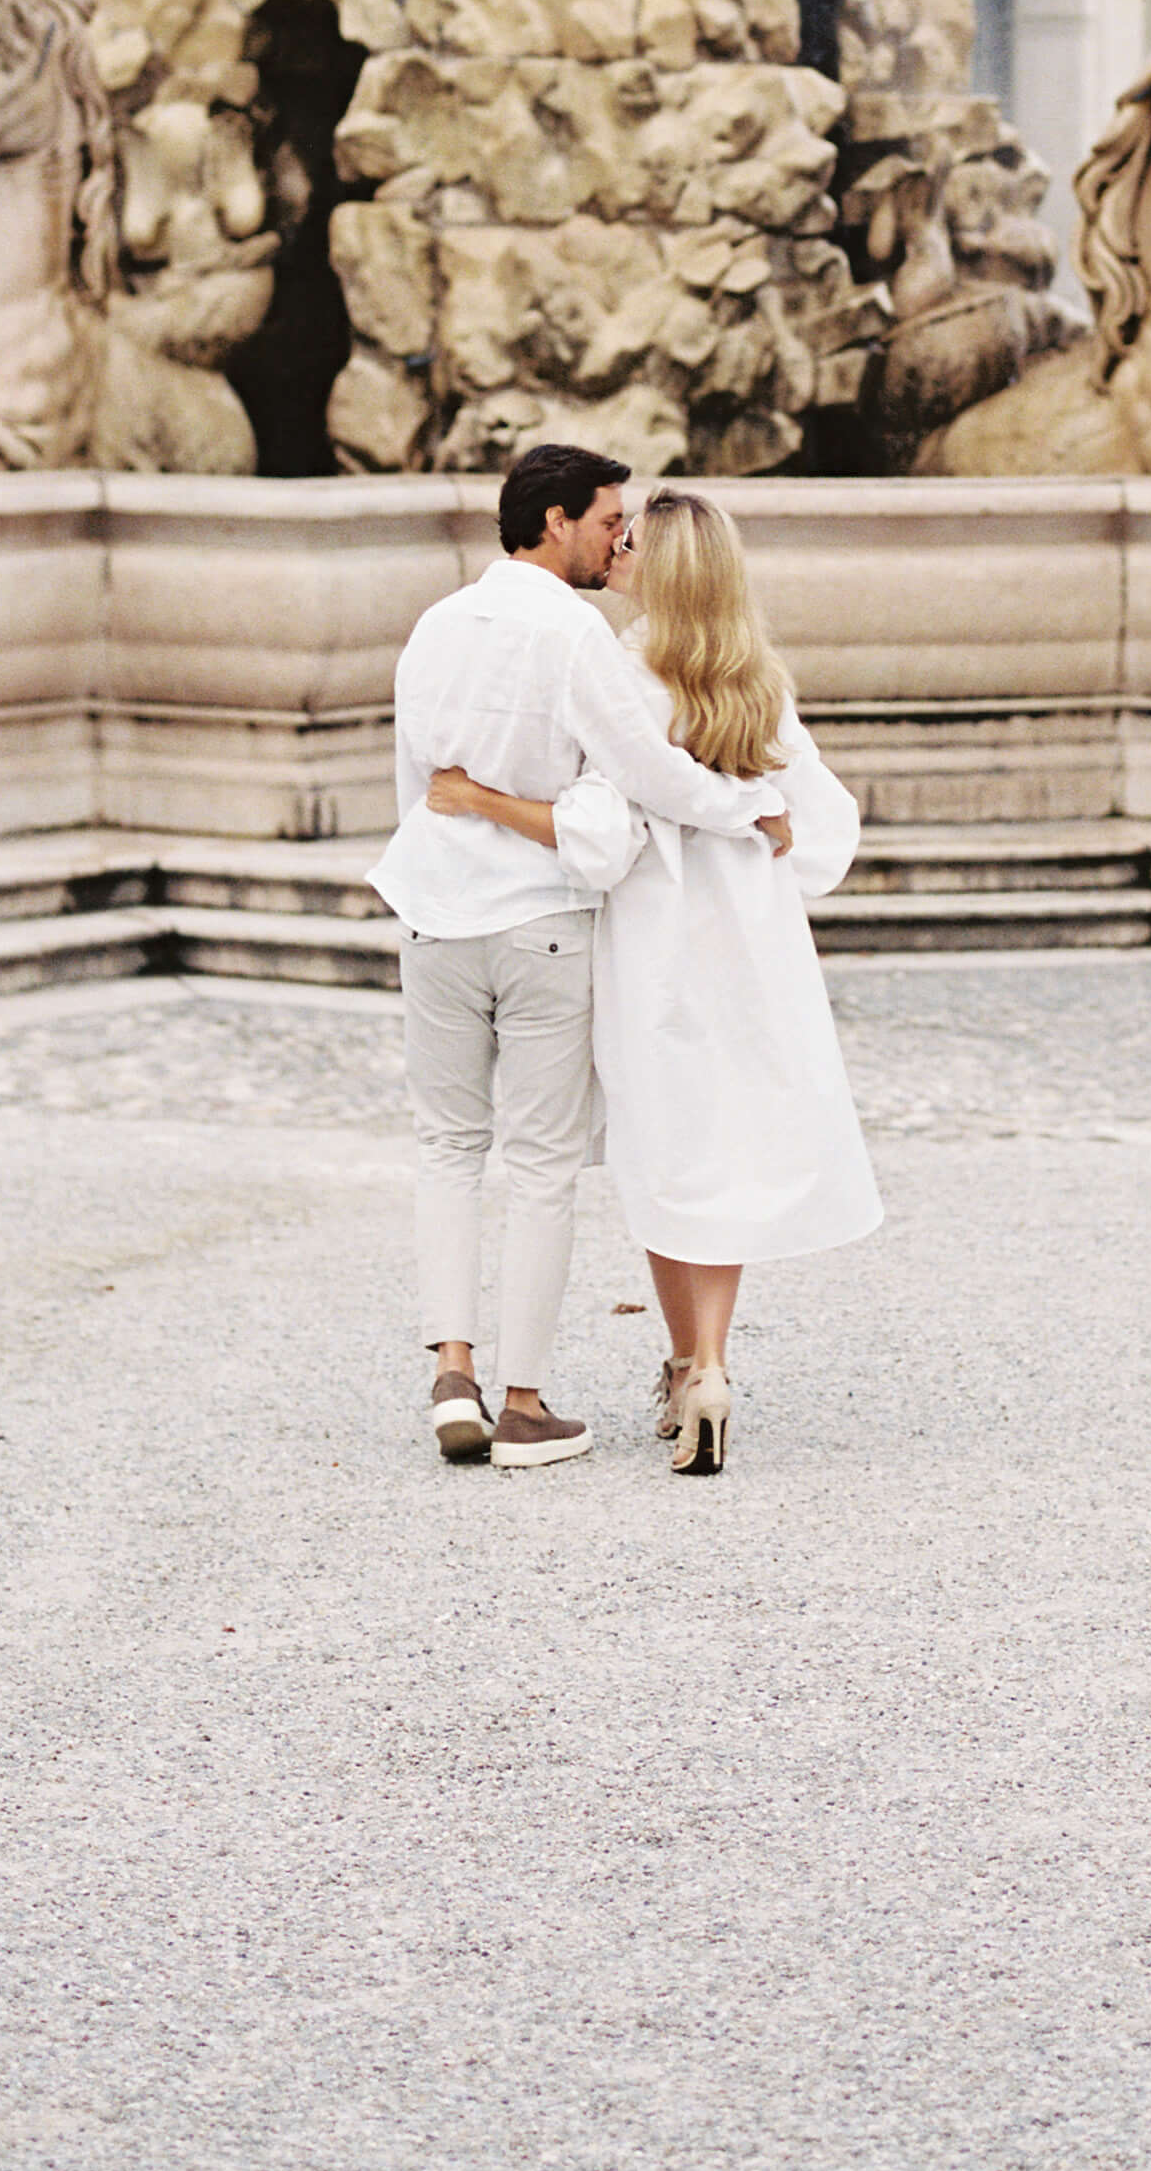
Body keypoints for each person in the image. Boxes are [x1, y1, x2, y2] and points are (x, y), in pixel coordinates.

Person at [427, 489, 880, 1480]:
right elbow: (820, 824)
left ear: (667, 568)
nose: (615, 547)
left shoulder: (620, 673)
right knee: (725, 1151)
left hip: (655, 941)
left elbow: (607, 829)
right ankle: (707, 1364)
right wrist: (763, 831)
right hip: (755, 945)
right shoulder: (758, 683)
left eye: (633, 540)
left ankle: (685, 1367)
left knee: (667, 1153)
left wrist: (488, 799)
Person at [371, 439, 790, 1473]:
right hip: (543, 919)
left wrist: (453, 842)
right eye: (608, 519)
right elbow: (647, 780)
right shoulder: (576, 637)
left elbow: (413, 782)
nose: (619, 540)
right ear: (552, 519)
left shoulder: (431, 627)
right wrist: (755, 805)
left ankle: (450, 1374)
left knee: (445, 1148)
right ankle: (521, 1403)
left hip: (432, 914)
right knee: (544, 1165)